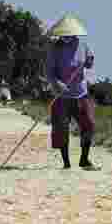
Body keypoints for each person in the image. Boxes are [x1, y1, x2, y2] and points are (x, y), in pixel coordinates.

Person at [46, 14, 98, 170]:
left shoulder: (83, 45)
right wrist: (57, 83)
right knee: (61, 128)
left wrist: (90, 61)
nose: (67, 36)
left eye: (69, 34)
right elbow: (49, 72)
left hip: (81, 94)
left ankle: (84, 159)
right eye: (64, 34)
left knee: (89, 125)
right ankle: (66, 163)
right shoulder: (54, 49)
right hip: (62, 96)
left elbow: (89, 63)